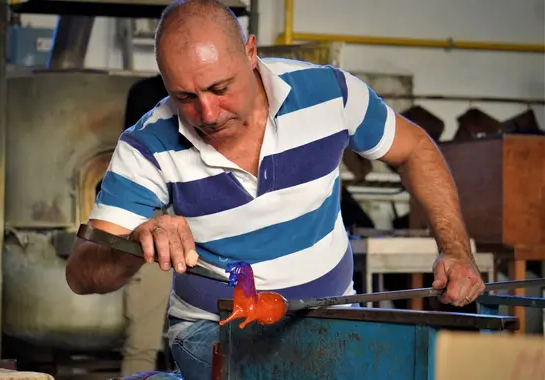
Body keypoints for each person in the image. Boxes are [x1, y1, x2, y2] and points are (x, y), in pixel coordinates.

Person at [66, 0, 486, 378]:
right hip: (210, 328)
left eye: (219, 88)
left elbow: (414, 149)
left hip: (333, 314)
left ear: (251, 53)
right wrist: (139, 242)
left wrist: (454, 249)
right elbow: (83, 274)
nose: (207, 113)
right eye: (185, 96)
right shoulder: (146, 144)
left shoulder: (329, 94)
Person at [94, 74, 172, 376]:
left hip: (186, 223)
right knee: (144, 343)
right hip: (152, 222)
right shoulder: (147, 94)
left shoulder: (145, 91)